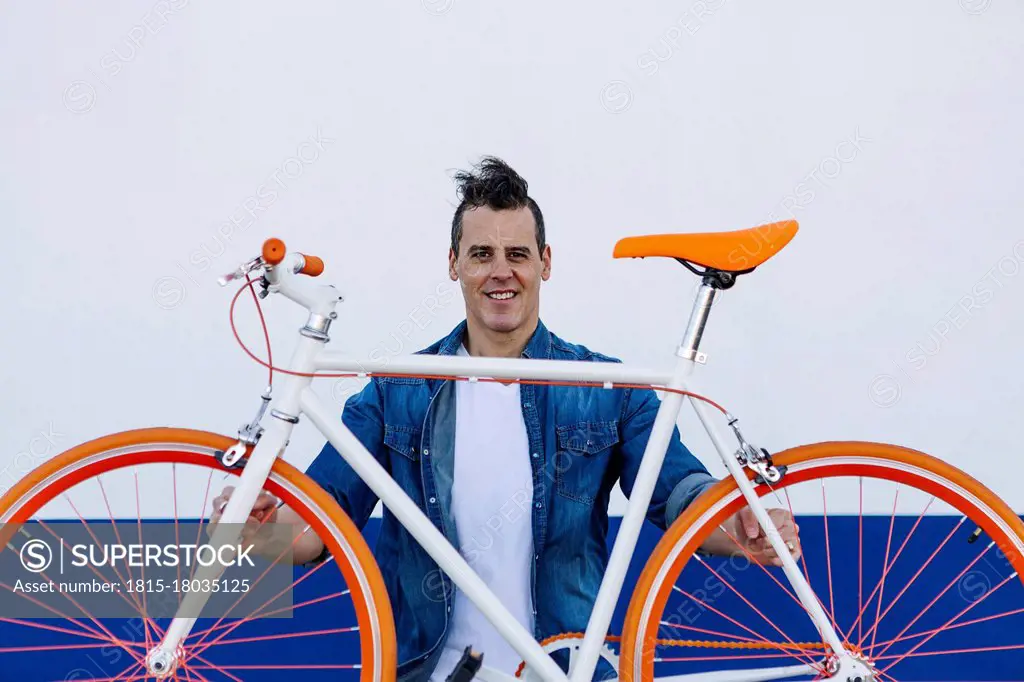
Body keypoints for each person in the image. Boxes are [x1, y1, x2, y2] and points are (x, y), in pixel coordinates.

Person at [211, 156, 801, 682]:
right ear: (453, 265)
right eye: (481, 255)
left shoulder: (606, 389)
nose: (501, 272)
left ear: (545, 263)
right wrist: (259, 529)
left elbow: (680, 496)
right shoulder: (395, 392)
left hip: (564, 671)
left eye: (517, 254)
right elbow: (324, 520)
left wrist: (743, 524)